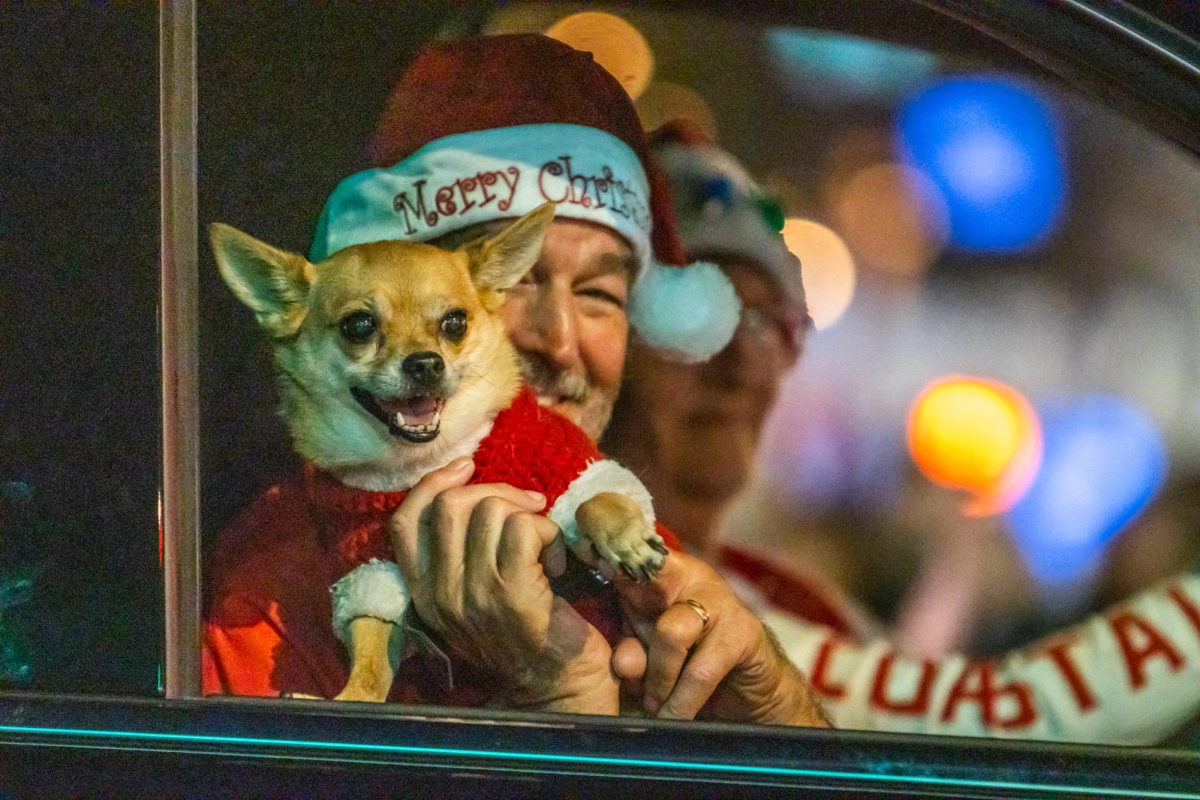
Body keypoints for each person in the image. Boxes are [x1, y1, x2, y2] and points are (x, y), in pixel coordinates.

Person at [203, 33, 828, 727]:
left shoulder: (661, 569)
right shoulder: (266, 614)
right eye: (509, 284)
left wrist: (776, 706)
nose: (558, 342)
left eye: (599, 295)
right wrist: (560, 703)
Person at [601, 120, 1200, 744]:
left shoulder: (769, 586)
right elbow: (989, 720)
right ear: (610, 340)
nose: (741, 364)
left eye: (766, 320)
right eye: (692, 316)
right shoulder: (630, 598)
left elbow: (911, 701)